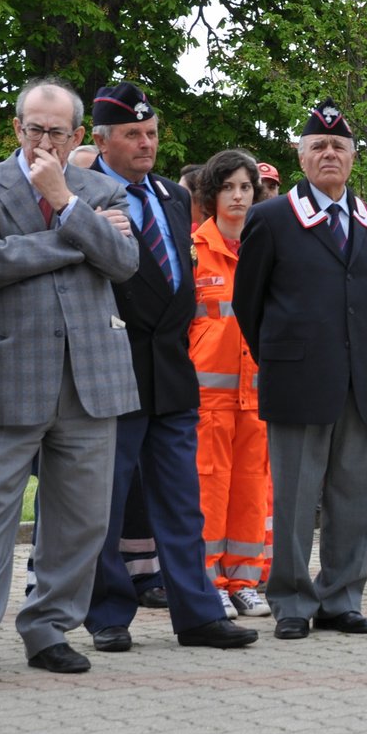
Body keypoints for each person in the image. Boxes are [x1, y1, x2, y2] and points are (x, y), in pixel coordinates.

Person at [0, 78, 140, 694]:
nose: (43, 141)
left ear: (78, 135)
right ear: (16, 128)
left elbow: (126, 264)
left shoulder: (104, 189)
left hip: (91, 379)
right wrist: (80, 237)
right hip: (9, 376)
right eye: (33, 128)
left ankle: (49, 628)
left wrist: (67, 203)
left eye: (55, 131)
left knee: (79, 521)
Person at [82, 82, 257, 653]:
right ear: (102, 140)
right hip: (115, 366)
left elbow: (179, 277)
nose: (146, 144)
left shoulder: (173, 196)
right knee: (107, 503)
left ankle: (198, 613)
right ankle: (108, 612)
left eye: (152, 133)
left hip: (173, 370)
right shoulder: (83, 195)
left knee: (183, 501)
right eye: (133, 134)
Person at [233, 101, 367, 639]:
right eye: (319, 147)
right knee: (297, 498)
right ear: (301, 158)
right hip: (298, 378)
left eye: (339, 147)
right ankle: (292, 602)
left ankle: (341, 598)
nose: (330, 154)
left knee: (353, 497)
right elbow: (247, 304)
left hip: (360, 380)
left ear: (353, 158)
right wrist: (282, 358)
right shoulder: (270, 218)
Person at [189, 149, 272, 616]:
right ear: (211, 195)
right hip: (207, 397)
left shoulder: (264, 247)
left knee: (250, 488)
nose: (238, 196)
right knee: (209, 488)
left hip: (256, 394)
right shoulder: (193, 251)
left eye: (245, 187)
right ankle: (209, 581)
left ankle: (244, 579)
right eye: (228, 188)